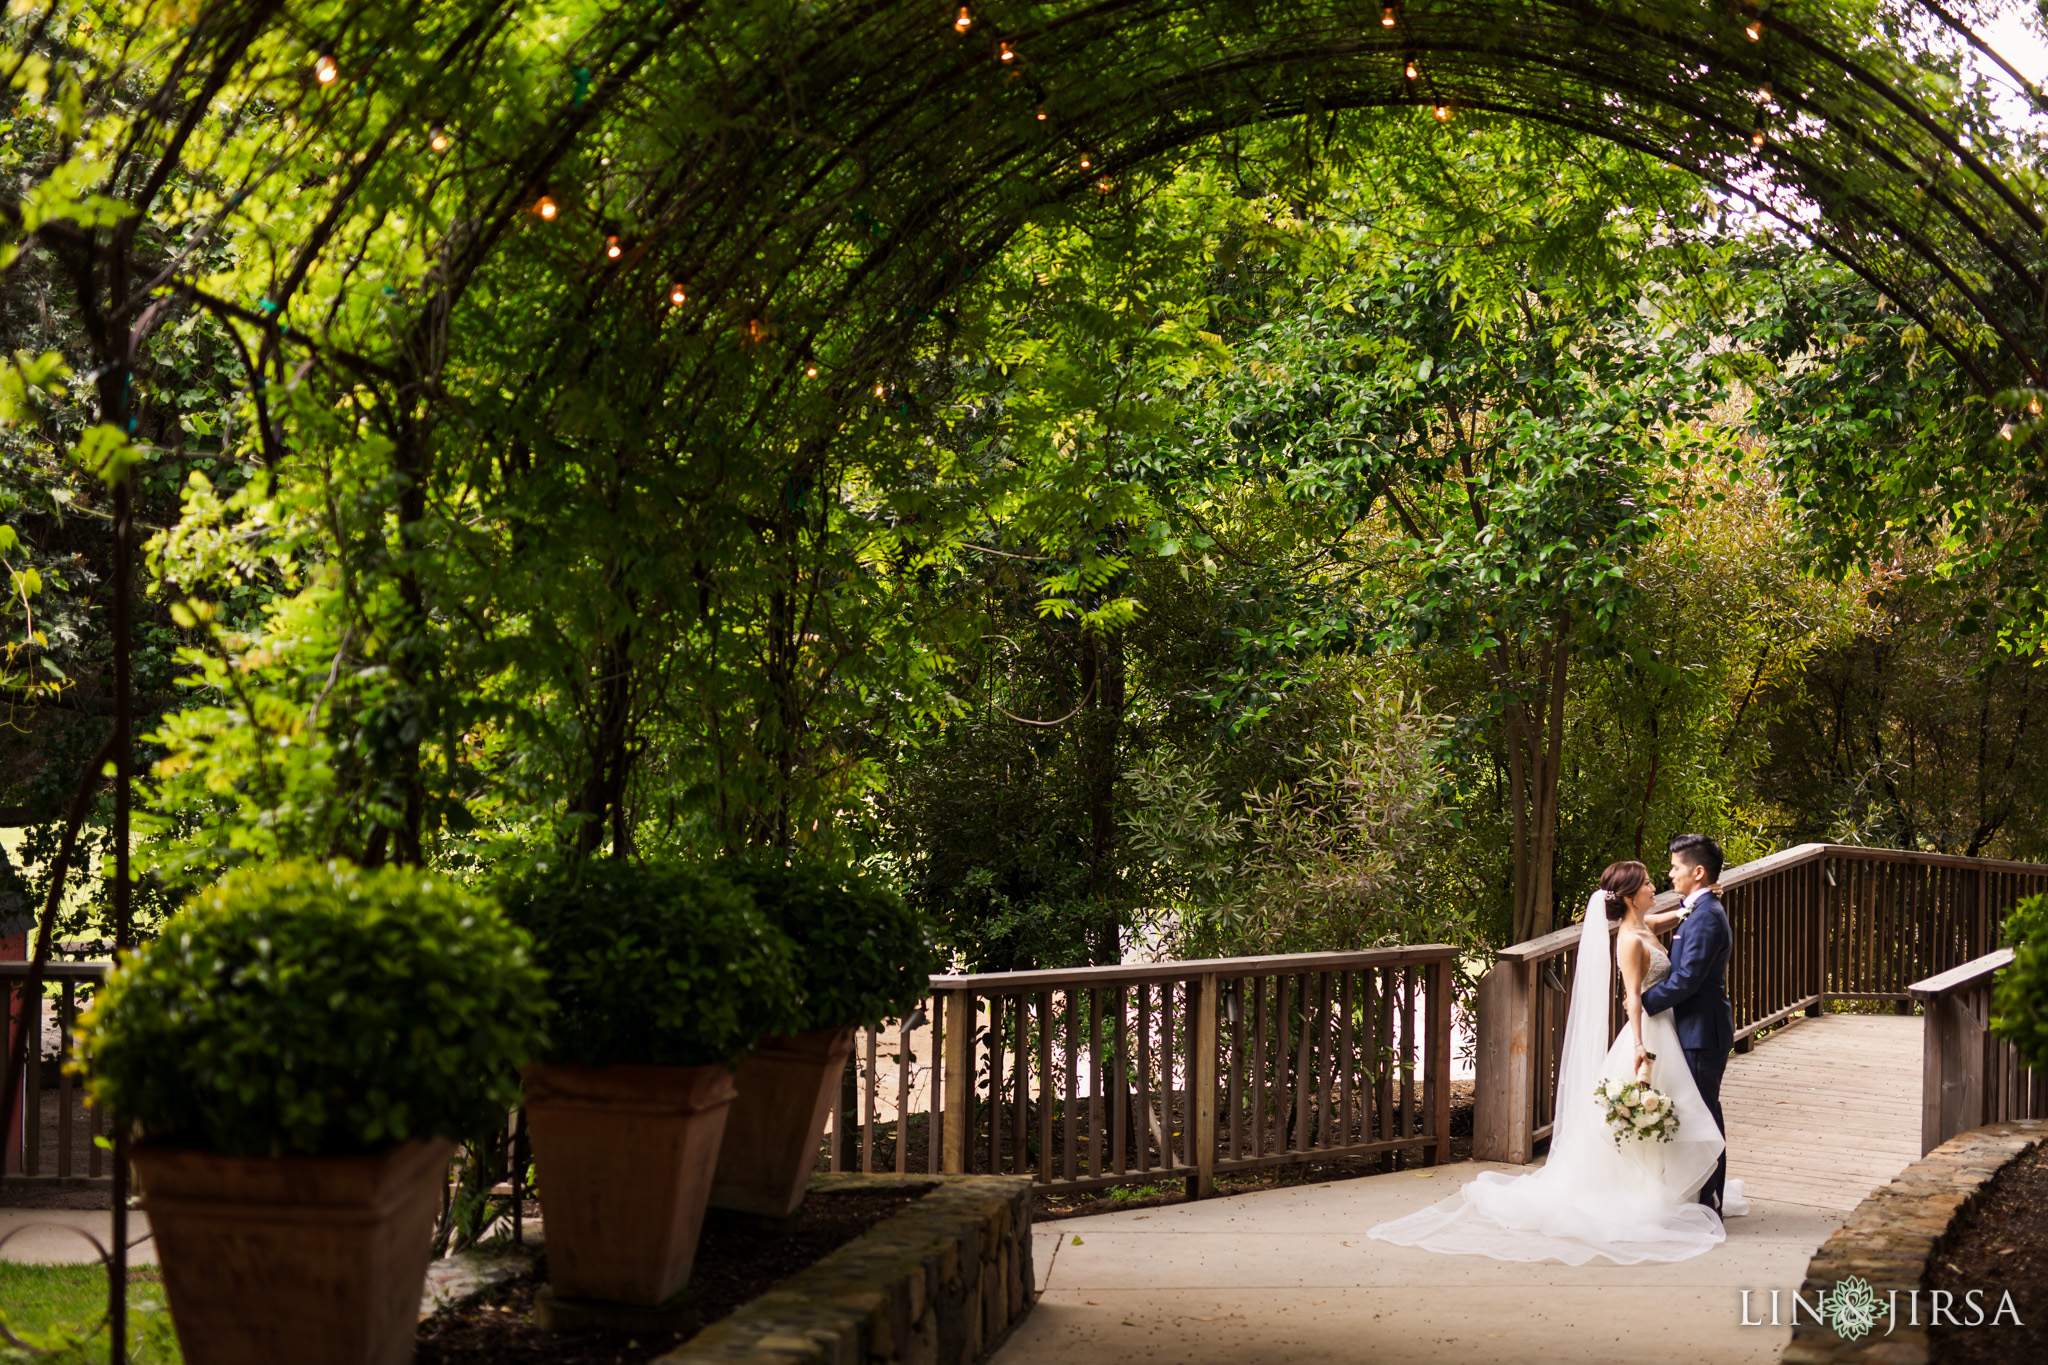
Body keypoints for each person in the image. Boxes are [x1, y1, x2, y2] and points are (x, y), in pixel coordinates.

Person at [1366, 855, 1746, 1265]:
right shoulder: (1629, 940)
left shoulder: (1641, 926)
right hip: (1649, 1033)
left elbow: (1661, 923)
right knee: (1657, 1114)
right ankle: (1649, 1194)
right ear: (1632, 895)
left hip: (1668, 1029)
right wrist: (1638, 1045)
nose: (1658, 886)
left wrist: (1692, 904)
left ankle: (1675, 1189)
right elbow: (1633, 999)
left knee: (1671, 1111)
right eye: (1650, 884)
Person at [1643, 832, 1736, 1213]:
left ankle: (1708, 1199)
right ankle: (1703, 1194)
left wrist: (1643, 1003)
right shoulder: (1698, 909)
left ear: (1697, 872)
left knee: (1702, 1114)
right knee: (1699, 1111)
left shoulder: (1706, 918)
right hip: (1695, 1027)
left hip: (1702, 1030)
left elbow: (1687, 979)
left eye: (1675, 867)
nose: (1669, 874)